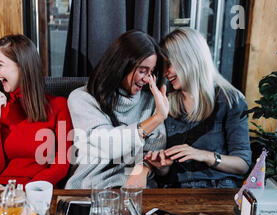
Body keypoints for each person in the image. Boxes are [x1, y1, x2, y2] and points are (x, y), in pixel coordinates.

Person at [145, 28, 251, 188]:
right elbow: (164, 174)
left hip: (218, 189)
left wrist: (205, 156)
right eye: (163, 66)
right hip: (176, 191)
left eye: (170, 64)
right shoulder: (165, 101)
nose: (166, 73)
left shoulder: (230, 100)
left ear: (189, 59)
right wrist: (162, 168)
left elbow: (243, 164)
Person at [65, 30, 168, 189]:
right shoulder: (82, 98)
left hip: (135, 190)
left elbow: (156, 157)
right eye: (142, 70)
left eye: (151, 72)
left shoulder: (151, 102)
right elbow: (107, 145)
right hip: (91, 188)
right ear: (121, 65)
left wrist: (145, 168)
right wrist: (156, 119)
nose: (147, 79)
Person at [0, 35, 73, 188]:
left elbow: (61, 165)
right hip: (1, 190)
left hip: (38, 189)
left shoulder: (60, 106)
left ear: (22, 66)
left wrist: (26, 189)